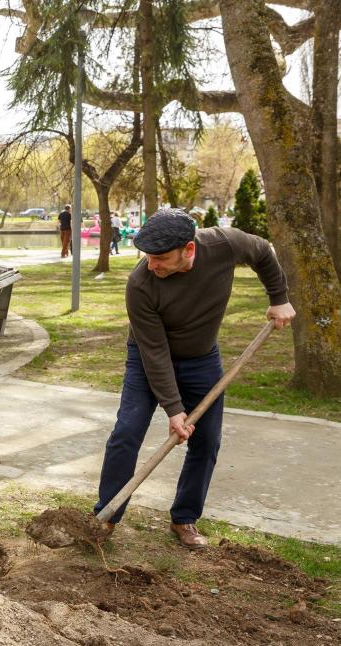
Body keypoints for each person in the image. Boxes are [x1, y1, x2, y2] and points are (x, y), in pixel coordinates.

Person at [93, 208, 295, 549]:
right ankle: (107, 517)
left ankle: (184, 518)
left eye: (160, 257)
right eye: (147, 257)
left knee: (207, 441)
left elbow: (262, 251)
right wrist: (174, 410)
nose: (151, 264)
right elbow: (155, 353)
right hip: (147, 362)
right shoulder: (140, 284)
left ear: (189, 249)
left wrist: (279, 298)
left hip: (202, 359)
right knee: (127, 432)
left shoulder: (224, 244)